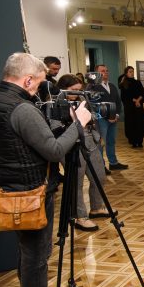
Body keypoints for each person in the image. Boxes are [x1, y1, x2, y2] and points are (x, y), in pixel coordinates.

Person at [0, 52, 91, 287]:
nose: (40, 88)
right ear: (27, 79)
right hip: (32, 192)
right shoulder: (22, 109)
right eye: (39, 82)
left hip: (13, 189)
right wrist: (78, 124)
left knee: (28, 252)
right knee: (37, 255)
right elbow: (54, 150)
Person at [56, 74, 103, 232]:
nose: (77, 93)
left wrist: (96, 134)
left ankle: (97, 207)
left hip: (90, 140)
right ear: (63, 89)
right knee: (76, 182)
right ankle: (80, 217)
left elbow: (92, 116)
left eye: (79, 89)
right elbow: (56, 128)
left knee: (99, 176)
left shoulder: (83, 98)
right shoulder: (56, 103)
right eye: (73, 90)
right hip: (70, 143)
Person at [87, 64, 128, 171]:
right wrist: (106, 117)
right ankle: (101, 166)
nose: (106, 72)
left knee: (111, 141)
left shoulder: (112, 86)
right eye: (103, 71)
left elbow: (118, 102)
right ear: (96, 73)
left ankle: (113, 163)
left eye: (107, 70)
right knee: (100, 143)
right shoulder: (92, 86)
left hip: (113, 119)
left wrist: (116, 115)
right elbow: (92, 104)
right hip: (101, 120)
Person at [119, 65, 144, 148]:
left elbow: (142, 93)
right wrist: (135, 100)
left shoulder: (137, 82)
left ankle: (140, 141)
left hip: (138, 106)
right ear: (126, 73)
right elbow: (124, 96)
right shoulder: (124, 84)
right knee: (131, 123)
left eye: (133, 71)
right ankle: (133, 141)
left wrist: (138, 100)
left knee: (140, 122)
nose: (132, 73)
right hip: (130, 107)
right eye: (130, 72)